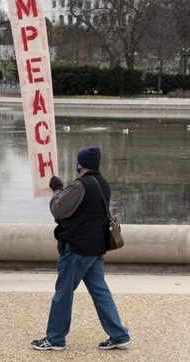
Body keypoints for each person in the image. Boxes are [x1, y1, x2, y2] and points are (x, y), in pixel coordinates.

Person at [31, 146, 131, 352]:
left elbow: (57, 209)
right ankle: (119, 335)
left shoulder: (80, 185)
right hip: (96, 248)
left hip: (77, 248)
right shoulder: (104, 184)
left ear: (80, 165)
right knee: (100, 291)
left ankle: (55, 339)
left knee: (63, 292)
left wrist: (57, 188)